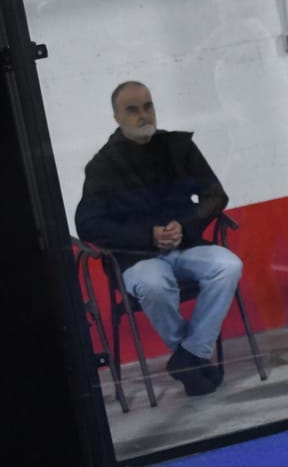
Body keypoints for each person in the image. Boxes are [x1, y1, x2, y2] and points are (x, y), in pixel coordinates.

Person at [75, 81, 243, 397]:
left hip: (186, 245)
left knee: (228, 266)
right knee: (154, 286)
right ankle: (192, 358)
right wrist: (147, 236)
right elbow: (88, 224)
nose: (143, 115)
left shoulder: (178, 147)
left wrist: (185, 225)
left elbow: (215, 195)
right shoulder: (102, 166)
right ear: (116, 117)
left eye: (148, 106)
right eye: (132, 110)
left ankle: (190, 354)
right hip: (136, 257)